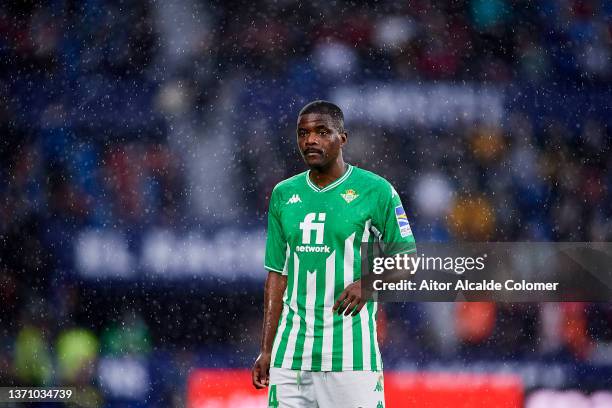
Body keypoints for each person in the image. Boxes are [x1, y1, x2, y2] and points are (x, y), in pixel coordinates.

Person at [252, 100, 416, 407]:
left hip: (351, 357)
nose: (310, 140)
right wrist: (267, 349)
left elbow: (408, 257)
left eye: (321, 131)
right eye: (303, 133)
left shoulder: (376, 190)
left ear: (342, 138)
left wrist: (369, 282)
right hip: (290, 357)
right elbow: (277, 274)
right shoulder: (283, 195)